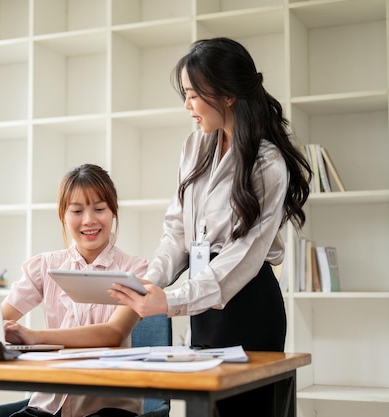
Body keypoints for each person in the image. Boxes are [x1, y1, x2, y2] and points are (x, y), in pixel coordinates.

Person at [109, 37, 311, 416]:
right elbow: (177, 232)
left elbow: (241, 260)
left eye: (192, 95)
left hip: (248, 304)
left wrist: (169, 300)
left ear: (227, 94)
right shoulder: (194, 146)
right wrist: (149, 284)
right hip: (203, 306)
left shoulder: (267, 164)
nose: (187, 105)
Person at [0, 163, 148, 417]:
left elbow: (113, 334)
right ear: (63, 216)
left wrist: (34, 337)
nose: (89, 220)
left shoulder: (134, 270)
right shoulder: (45, 266)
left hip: (107, 408)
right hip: (47, 405)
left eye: (99, 209)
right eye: (77, 210)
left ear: (113, 212)